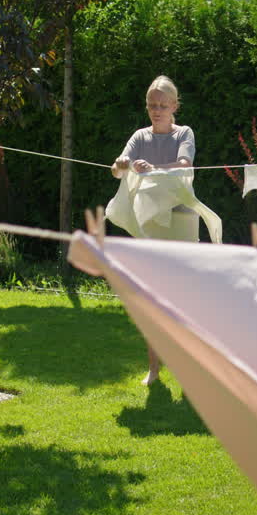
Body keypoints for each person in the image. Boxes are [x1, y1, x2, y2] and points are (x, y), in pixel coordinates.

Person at [111, 75, 198, 385]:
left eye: (163, 105)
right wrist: (123, 163)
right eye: (152, 105)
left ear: (174, 106)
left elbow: (185, 164)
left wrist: (154, 169)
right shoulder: (140, 137)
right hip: (150, 222)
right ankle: (154, 369)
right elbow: (116, 170)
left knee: (185, 298)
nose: (157, 111)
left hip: (182, 220)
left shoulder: (184, 133)